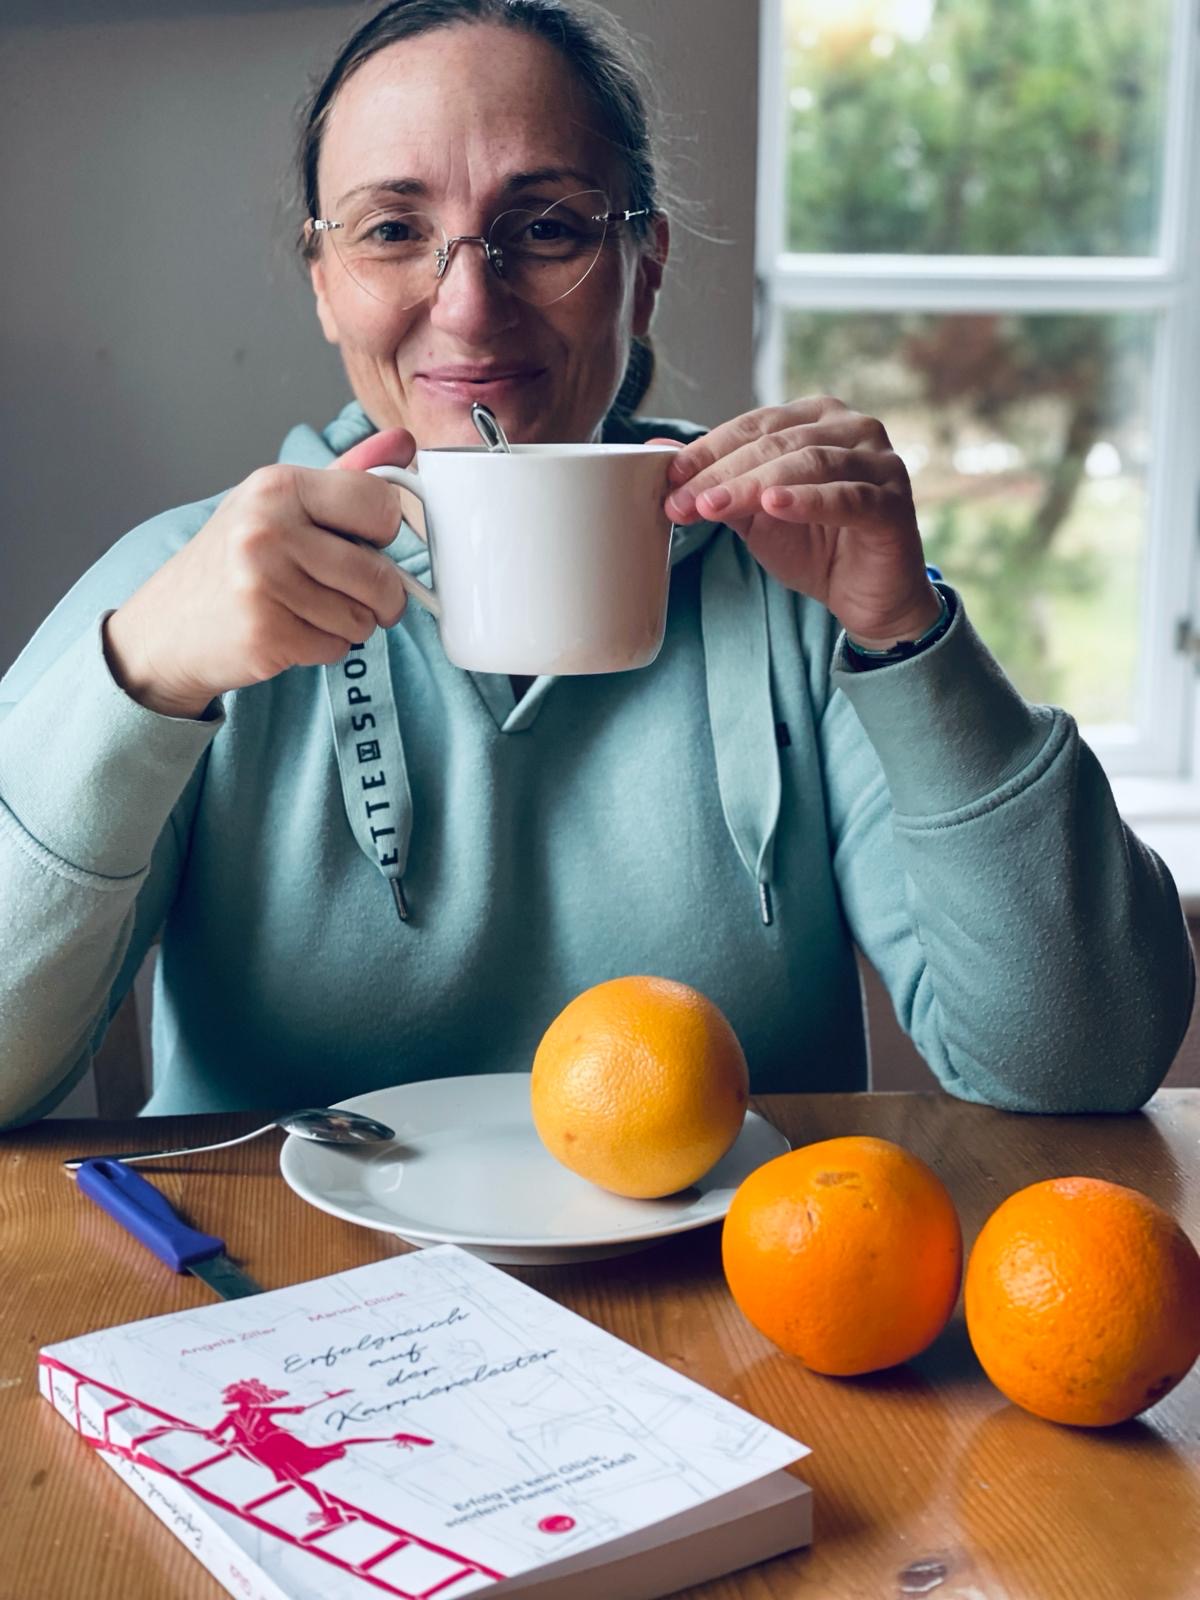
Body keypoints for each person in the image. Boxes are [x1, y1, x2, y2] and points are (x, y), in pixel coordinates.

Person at [0, 0, 1191, 1130]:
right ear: (324, 283)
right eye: (393, 232)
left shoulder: (804, 580)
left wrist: (909, 633)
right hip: (273, 1300)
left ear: (647, 264)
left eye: (549, 226)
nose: (467, 307)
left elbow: (1081, 1064)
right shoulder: (183, 590)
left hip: (734, 1312)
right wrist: (138, 678)